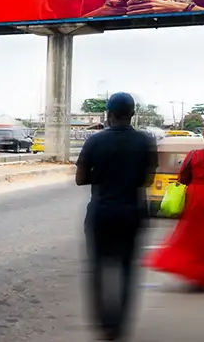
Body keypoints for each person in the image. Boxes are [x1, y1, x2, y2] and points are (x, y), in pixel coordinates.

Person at [75, 92, 158, 341]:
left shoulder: (95, 141)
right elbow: (148, 179)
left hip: (101, 213)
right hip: (132, 213)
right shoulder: (145, 141)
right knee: (127, 270)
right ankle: (119, 325)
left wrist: (100, 177)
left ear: (108, 114)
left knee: (98, 267)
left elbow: (80, 178)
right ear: (132, 114)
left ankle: (103, 323)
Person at [146, 124, 204, 290]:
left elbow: (183, 178)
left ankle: (188, 270)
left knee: (190, 235)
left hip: (195, 197)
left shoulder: (193, 156)